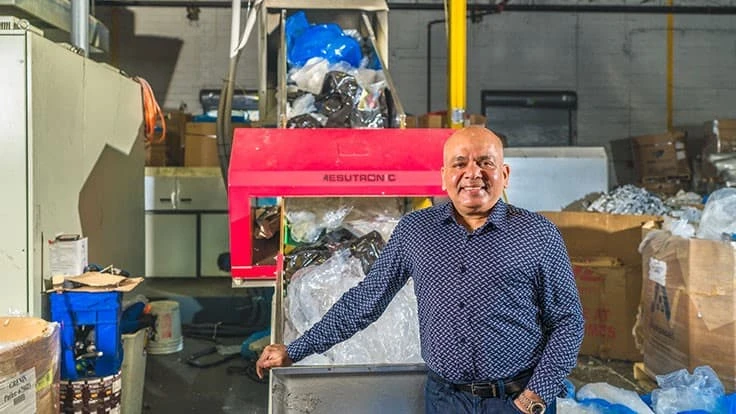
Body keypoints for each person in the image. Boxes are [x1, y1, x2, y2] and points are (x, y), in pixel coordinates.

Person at [256, 126, 584, 414]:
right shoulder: (415, 231)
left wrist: (535, 396)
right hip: (445, 400)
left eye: (486, 162)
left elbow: (568, 322)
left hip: (515, 399)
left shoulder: (537, 233)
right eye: (460, 163)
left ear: (505, 174)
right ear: (443, 176)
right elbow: (366, 300)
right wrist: (295, 349)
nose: (473, 173)